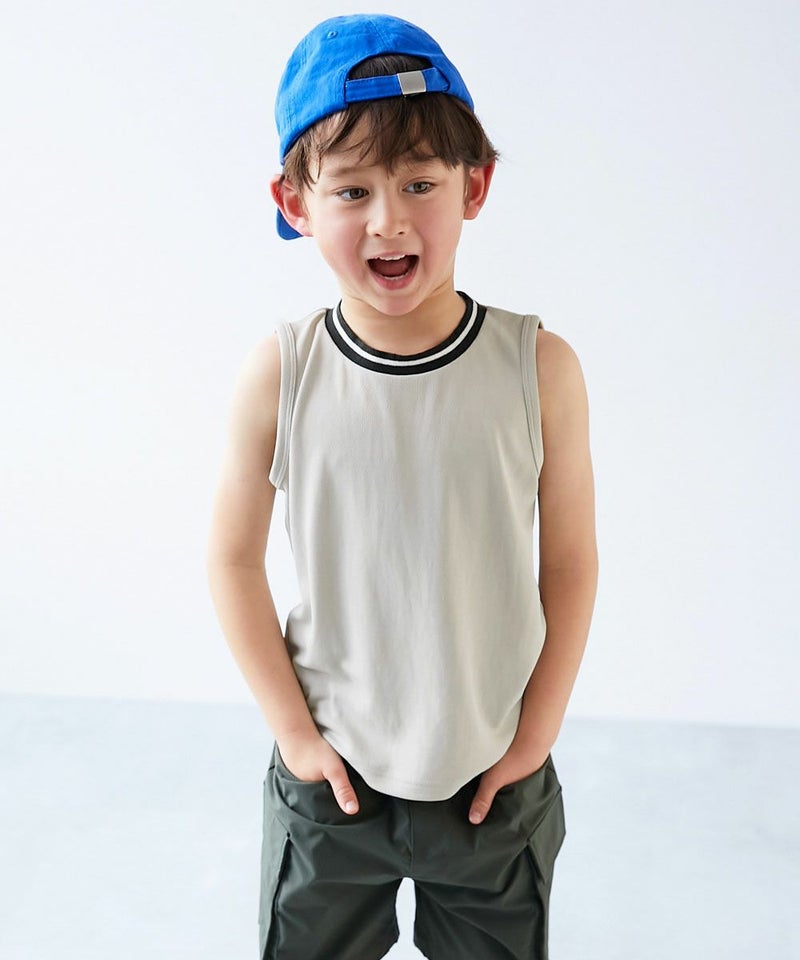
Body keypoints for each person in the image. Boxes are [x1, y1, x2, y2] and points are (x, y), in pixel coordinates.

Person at [206, 13, 598, 960]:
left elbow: (570, 562)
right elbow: (230, 560)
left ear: (475, 186)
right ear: (295, 203)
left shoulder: (537, 367)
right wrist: (296, 738)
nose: (388, 219)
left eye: (420, 183)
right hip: (334, 779)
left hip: (491, 778)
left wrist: (535, 736)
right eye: (352, 190)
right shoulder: (284, 371)